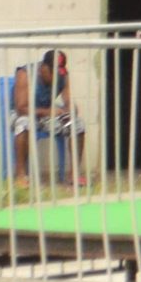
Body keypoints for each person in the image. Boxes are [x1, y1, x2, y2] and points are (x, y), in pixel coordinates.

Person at [10, 48, 88, 188]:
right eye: (54, 73)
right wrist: (47, 112)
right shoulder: (25, 73)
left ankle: (74, 174)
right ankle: (20, 175)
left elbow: (67, 98)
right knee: (23, 123)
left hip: (46, 114)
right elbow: (21, 108)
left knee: (78, 125)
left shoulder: (63, 75)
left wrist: (70, 109)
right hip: (23, 113)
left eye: (60, 73)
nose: (57, 78)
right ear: (44, 68)